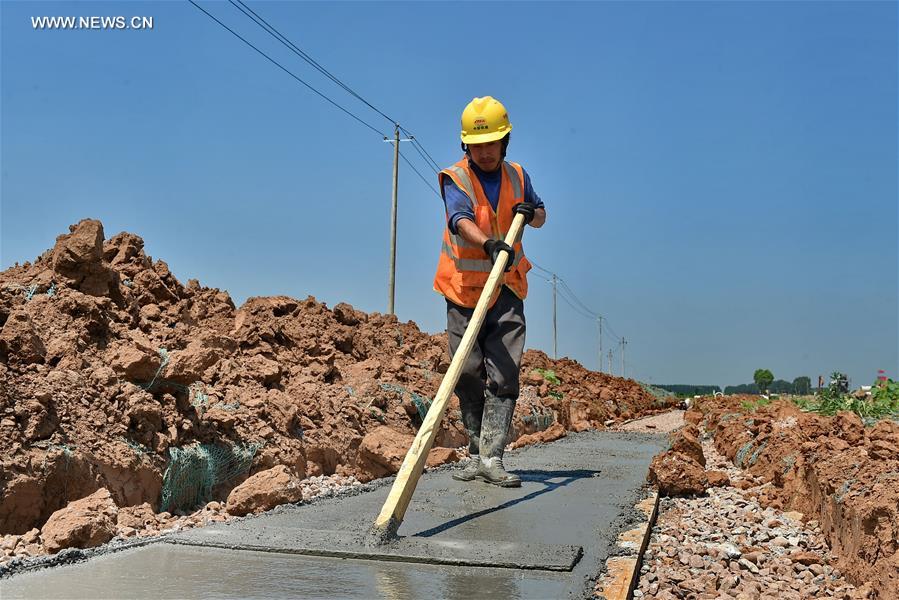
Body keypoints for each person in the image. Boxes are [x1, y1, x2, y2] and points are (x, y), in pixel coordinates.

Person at [433, 96, 546, 488]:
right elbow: (458, 219)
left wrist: (532, 214)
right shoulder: (456, 178)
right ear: (466, 146)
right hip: (463, 288)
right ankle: (475, 451)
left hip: (507, 288)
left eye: (491, 144)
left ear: (505, 142)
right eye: (476, 146)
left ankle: (493, 456)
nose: (484, 152)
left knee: (505, 370)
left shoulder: (518, 176)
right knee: (465, 370)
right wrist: (487, 244)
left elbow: (542, 216)